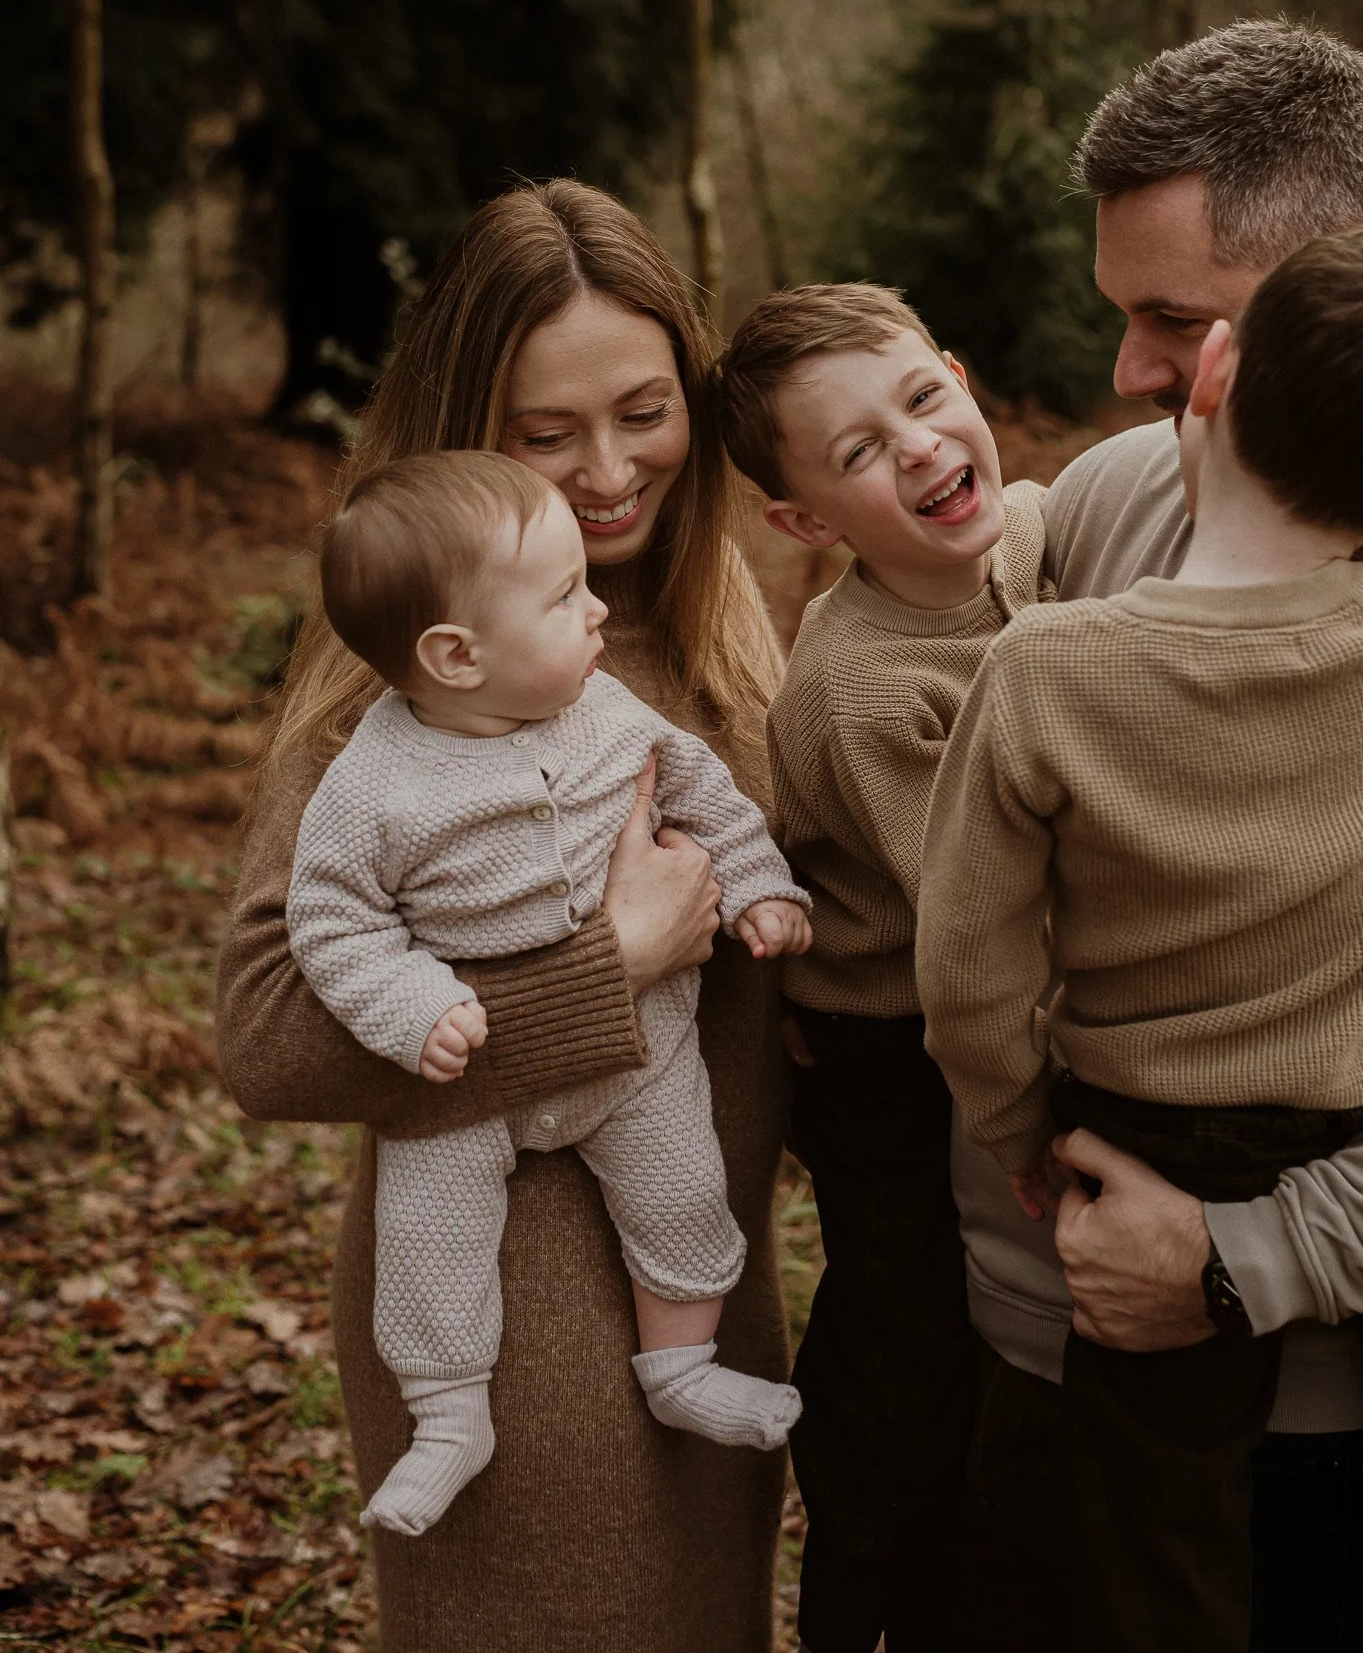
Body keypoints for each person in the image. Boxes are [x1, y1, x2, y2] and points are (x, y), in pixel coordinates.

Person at [216, 180, 794, 1653]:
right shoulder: (406, 685)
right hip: (508, 1322)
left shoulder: (722, 610)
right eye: (547, 435)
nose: (607, 472)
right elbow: (270, 1041)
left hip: (702, 1272)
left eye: (643, 410)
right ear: (470, 424)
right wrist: (609, 967)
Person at [952, 18, 1363, 1651]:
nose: (1127, 368)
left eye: (1169, 321)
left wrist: (1238, 1253)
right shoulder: (1117, 496)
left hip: (1316, 1427)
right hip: (1039, 1378)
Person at [287, 451, 810, 1535]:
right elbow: (331, 919)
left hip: (637, 1056)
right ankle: (446, 1414)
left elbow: (705, 795)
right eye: (565, 595)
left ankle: (682, 1362)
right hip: (470, 1081)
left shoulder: (608, 712)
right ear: (454, 655)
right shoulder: (371, 781)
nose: (598, 610)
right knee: (429, 1233)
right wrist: (408, 1005)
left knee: (681, 1189)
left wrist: (756, 885)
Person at [715, 282, 1050, 1653]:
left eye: (918, 400)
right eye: (855, 452)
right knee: (910, 1337)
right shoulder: (859, 688)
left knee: (1004, 1359)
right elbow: (977, 922)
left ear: (961, 381)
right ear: (802, 521)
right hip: (885, 1047)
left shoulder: (1039, 538)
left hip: (990, 1005)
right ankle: (859, 1585)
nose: (913, 447)